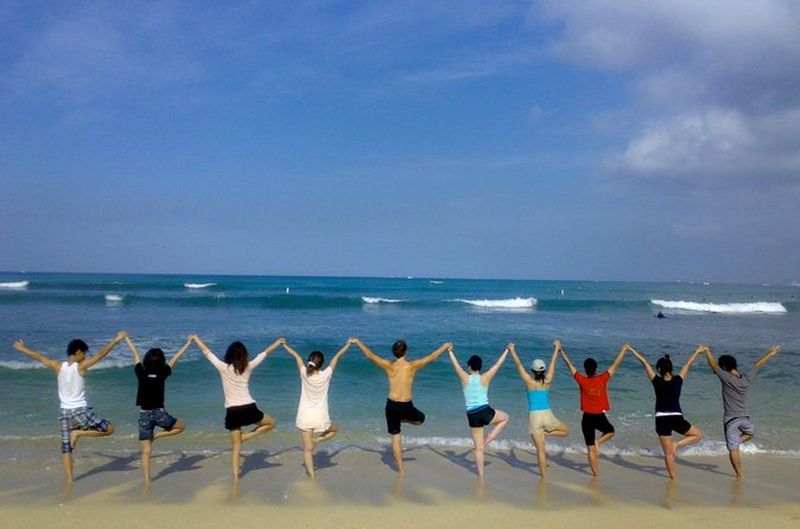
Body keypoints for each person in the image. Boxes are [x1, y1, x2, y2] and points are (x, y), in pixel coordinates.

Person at [12, 332, 127, 482]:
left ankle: (70, 480)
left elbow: (39, 356)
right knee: (109, 429)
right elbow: (101, 354)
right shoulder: (81, 367)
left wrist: (22, 348)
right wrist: (116, 340)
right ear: (78, 352)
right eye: (84, 354)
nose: (85, 357)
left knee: (66, 448)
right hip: (80, 411)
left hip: (64, 413)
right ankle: (78, 433)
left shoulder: (58, 366)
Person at [352, 337, 451, 475]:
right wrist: (445, 346)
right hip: (406, 406)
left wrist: (358, 342)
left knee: (395, 438)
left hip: (391, 406)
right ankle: (403, 420)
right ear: (406, 352)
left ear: (394, 352)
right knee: (421, 419)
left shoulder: (389, 365)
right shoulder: (412, 366)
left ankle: (401, 470)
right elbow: (431, 357)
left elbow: (370, 356)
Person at [193, 334, 283, 479]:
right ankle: (247, 436)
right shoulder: (248, 367)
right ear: (244, 355)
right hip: (249, 408)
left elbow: (207, 353)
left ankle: (235, 478)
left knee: (236, 447)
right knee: (271, 423)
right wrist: (278, 342)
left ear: (229, 355)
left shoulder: (223, 367)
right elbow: (264, 354)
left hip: (232, 411)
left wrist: (195, 338)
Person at [702, 344, 780, 479]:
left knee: (733, 449)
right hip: (745, 419)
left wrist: (707, 351)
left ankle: (739, 475)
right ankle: (735, 442)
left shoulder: (727, 378)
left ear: (724, 368)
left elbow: (713, 365)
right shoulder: (746, 379)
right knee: (750, 433)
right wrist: (770, 353)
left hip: (731, 420)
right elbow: (758, 365)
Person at [628, 344, 704, 479]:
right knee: (697, 435)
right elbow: (688, 364)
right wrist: (697, 352)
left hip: (661, 418)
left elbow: (644, 363)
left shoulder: (656, 381)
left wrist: (631, 350)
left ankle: (673, 479)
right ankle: (677, 444)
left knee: (668, 453)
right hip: (676, 417)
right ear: (671, 368)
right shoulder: (678, 380)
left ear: (659, 369)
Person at [125, 334, 192, 482]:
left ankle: (147, 481)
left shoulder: (141, 373)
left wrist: (126, 338)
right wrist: (188, 343)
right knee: (181, 426)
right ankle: (157, 436)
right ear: (162, 361)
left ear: (146, 360)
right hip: (159, 414)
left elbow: (135, 353)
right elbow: (176, 357)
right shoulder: (163, 373)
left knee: (146, 452)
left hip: (144, 415)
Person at [281, 339, 352, 478]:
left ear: (309, 362)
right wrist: (348, 344)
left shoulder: (304, 373)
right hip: (320, 418)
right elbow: (337, 357)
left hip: (304, 417)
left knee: (307, 450)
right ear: (321, 364)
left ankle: (312, 477)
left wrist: (284, 345)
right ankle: (317, 440)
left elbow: (296, 356)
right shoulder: (326, 375)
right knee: (334, 429)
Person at [559, 343, 628, 476]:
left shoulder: (582, 380)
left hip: (586, 418)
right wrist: (624, 350)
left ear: (585, 370)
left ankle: (595, 474)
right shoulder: (602, 379)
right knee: (610, 431)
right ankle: (598, 442)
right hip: (599, 416)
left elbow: (570, 366)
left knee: (590, 448)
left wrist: (561, 351)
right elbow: (615, 364)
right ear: (596, 369)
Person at [508, 340, 570, 478]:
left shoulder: (529, 382)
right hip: (547, 415)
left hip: (534, 417)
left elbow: (519, 365)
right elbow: (553, 363)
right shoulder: (547, 381)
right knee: (566, 431)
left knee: (540, 450)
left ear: (533, 370)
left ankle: (544, 478)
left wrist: (512, 350)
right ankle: (546, 434)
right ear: (543, 370)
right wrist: (557, 348)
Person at [446, 345, 510, 478]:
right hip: (485, 412)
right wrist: (507, 350)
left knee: (478, 449)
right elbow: (498, 364)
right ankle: (489, 439)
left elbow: (455, 364)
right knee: (505, 418)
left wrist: (450, 351)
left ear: (469, 367)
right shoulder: (485, 377)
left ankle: (481, 476)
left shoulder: (464, 377)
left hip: (472, 415)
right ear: (480, 367)